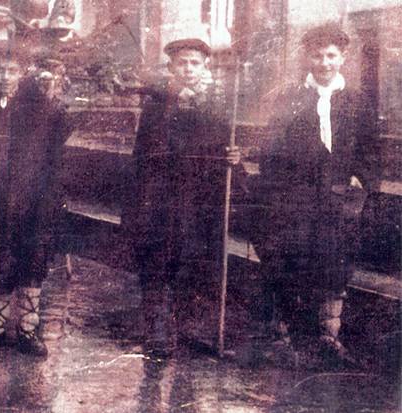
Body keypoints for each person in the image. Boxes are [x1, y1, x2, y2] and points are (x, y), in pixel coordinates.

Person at [256, 24, 378, 367]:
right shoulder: (290, 98)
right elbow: (272, 150)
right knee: (294, 261)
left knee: (334, 264)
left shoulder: (357, 101)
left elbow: (369, 149)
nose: (324, 63)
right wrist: (280, 190)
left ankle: (328, 337)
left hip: (339, 199)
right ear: (307, 57)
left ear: (343, 57)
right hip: (298, 199)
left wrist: (360, 179)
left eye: (331, 56)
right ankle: (292, 337)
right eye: (317, 55)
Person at [121, 37, 241, 356]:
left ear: (204, 68)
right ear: (172, 67)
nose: (188, 69)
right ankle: (158, 329)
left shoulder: (216, 108)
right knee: (158, 260)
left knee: (194, 259)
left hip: (199, 198)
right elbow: (143, 156)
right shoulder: (158, 106)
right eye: (182, 63)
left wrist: (232, 157)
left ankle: (187, 326)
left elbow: (221, 150)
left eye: (195, 64)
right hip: (162, 197)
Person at [0, 41, 72, 357]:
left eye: (12, 70)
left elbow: (60, 130)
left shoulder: (38, 100)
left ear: (23, 71)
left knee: (32, 260)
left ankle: (28, 328)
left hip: (34, 194)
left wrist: (52, 95)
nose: (6, 76)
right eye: (0, 70)